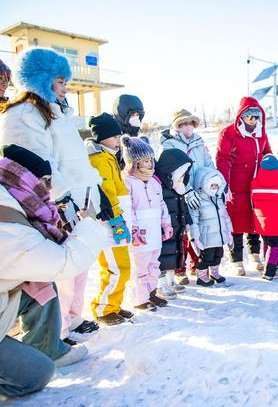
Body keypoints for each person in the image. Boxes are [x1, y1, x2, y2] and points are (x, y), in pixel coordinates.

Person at [0, 47, 110, 341]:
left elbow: (76, 162)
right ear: (41, 80)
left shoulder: (59, 113)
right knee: (61, 270)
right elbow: (36, 163)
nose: (66, 87)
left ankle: (73, 320)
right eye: (60, 80)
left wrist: (96, 192)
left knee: (80, 267)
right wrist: (62, 198)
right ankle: (55, 333)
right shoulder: (23, 113)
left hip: (79, 199)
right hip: (56, 203)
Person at [0, 144, 108, 398]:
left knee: (39, 285)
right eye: (45, 181)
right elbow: (62, 263)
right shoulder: (8, 229)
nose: (49, 189)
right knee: (37, 373)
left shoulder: (12, 201)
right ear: (28, 181)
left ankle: (45, 345)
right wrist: (90, 224)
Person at [86, 113, 134, 326]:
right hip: (111, 222)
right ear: (102, 137)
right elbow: (106, 191)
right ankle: (103, 308)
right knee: (116, 267)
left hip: (119, 220)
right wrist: (115, 219)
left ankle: (113, 304)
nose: (118, 140)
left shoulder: (109, 156)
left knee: (123, 265)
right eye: (114, 136)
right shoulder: (98, 159)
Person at [215, 97, 271, 276]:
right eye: (249, 117)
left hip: (256, 185)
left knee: (255, 222)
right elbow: (222, 159)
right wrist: (225, 184)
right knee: (237, 223)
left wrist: (270, 177)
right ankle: (237, 260)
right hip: (236, 185)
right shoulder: (229, 133)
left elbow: (267, 154)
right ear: (242, 116)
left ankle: (255, 256)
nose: (253, 120)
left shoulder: (261, 134)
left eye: (256, 117)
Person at [161, 109, 215, 284]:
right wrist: (187, 189)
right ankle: (179, 268)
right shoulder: (170, 144)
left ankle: (197, 263)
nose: (187, 127)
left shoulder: (199, 143)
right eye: (182, 124)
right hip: (181, 193)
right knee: (184, 231)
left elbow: (208, 164)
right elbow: (172, 171)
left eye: (190, 123)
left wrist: (214, 182)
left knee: (200, 228)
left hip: (202, 192)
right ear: (176, 126)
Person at [121, 136, 172, 311]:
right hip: (140, 234)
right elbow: (128, 209)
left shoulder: (154, 183)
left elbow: (162, 205)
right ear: (133, 163)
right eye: (144, 161)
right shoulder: (127, 183)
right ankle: (139, 299)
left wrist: (166, 224)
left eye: (151, 160)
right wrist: (133, 229)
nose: (150, 164)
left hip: (154, 232)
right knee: (140, 268)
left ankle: (151, 293)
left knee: (153, 265)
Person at [156, 148, 194, 298]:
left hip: (177, 227)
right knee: (163, 257)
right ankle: (161, 285)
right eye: (180, 173)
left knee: (175, 255)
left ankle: (171, 281)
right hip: (164, 230)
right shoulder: (161, 188)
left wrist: (188, 222)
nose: (183, 177)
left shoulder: (178, 188)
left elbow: (183, 207)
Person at [188, 167, 233, 287]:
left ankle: (214, 273)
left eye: (216, 186)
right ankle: (201, 275)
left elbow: (225, 217)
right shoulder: (198, 202)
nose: (214, 189)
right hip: (206, 238)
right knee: (206, 257)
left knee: (218, 255)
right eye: (212, 186)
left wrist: (229, 233)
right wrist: (195, 238)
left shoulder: (218, 200)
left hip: (219, 236)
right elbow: (194, 222)